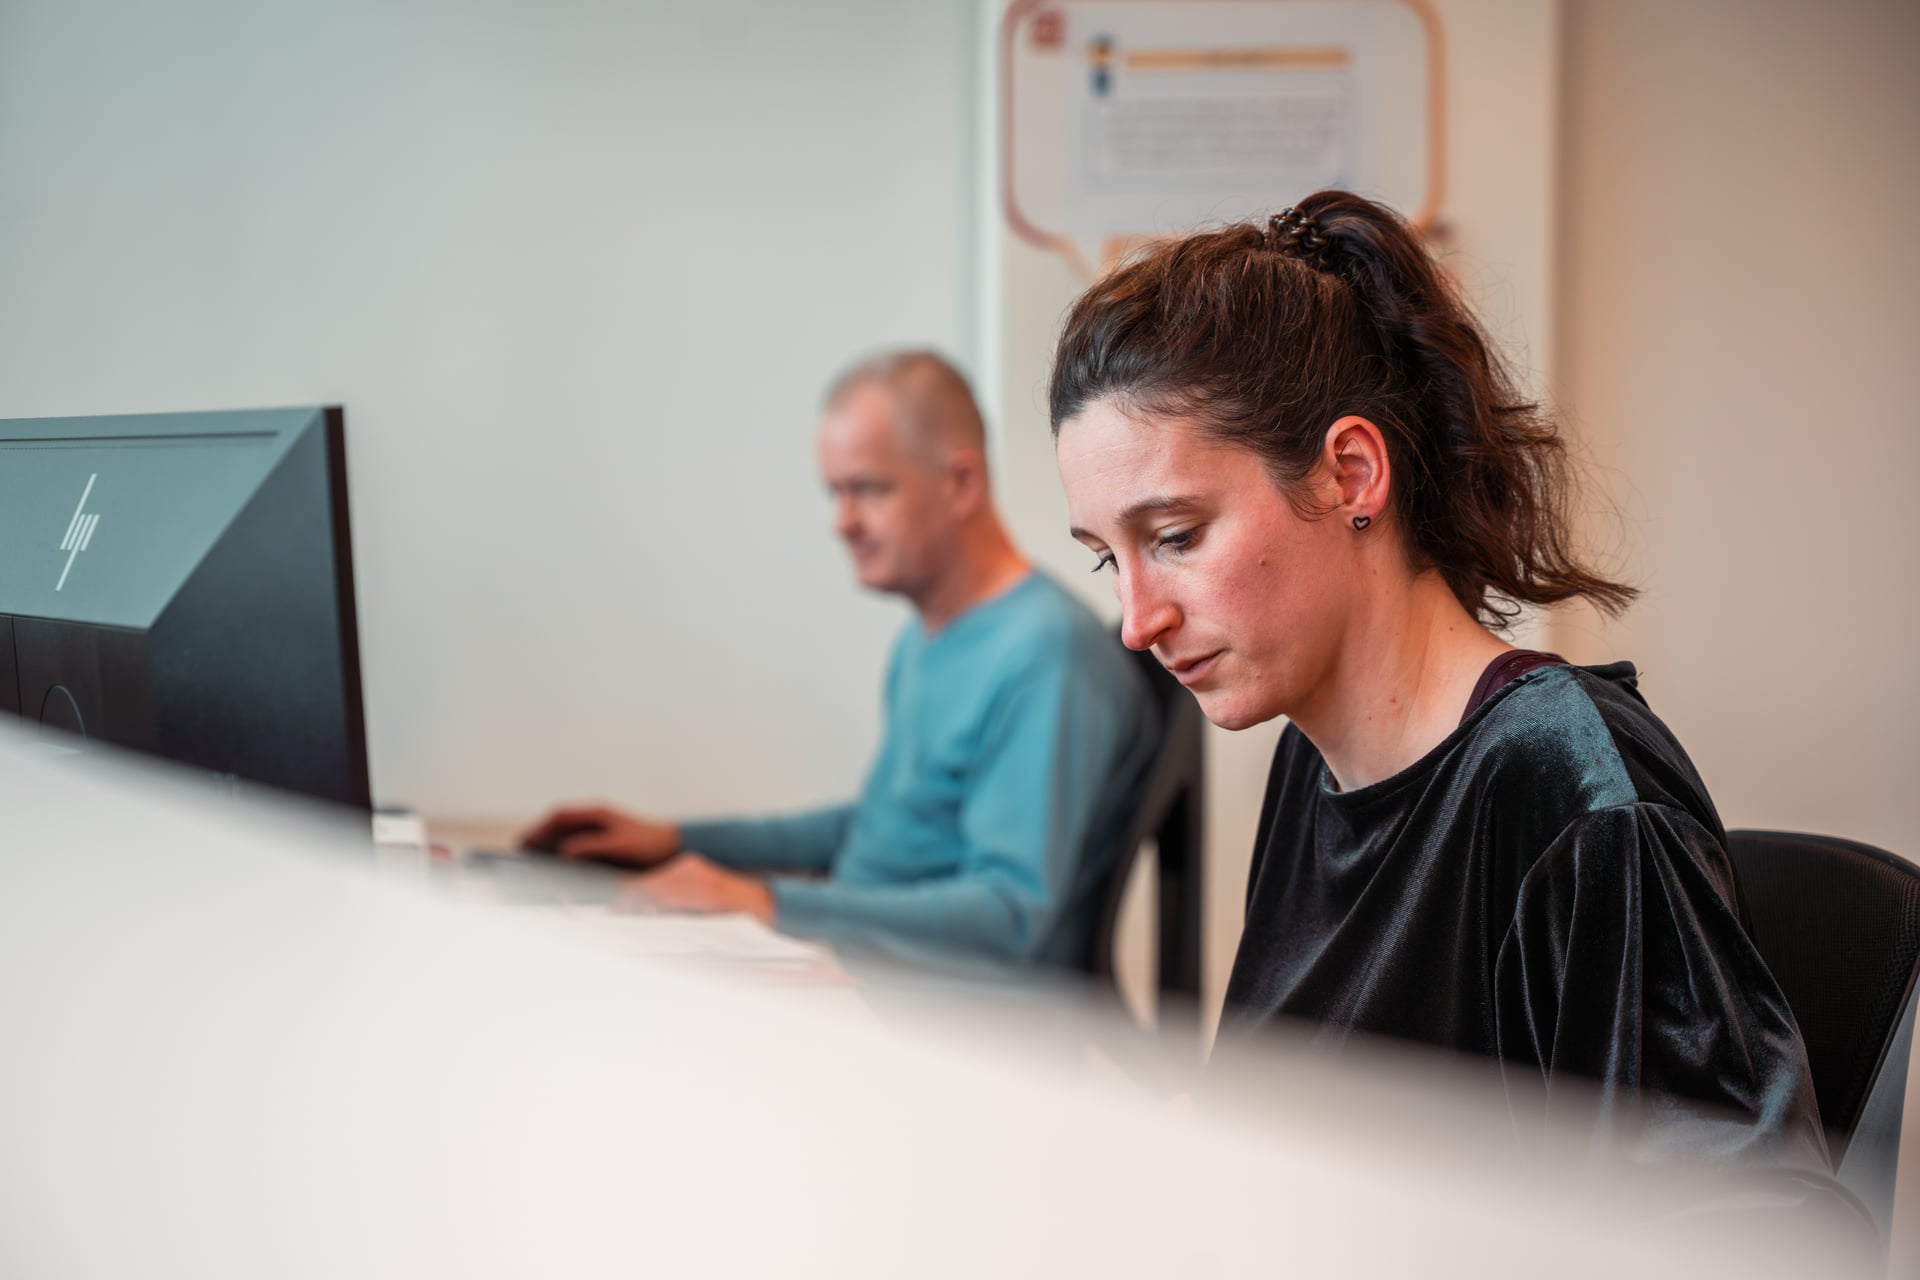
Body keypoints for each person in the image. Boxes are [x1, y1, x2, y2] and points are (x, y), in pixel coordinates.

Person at [1048, 192, 1827, 1162]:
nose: (1136, 620)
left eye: (1174, 536)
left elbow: (1746, 1233)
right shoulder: (1313, 761)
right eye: (1105, 558)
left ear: (1350, 474)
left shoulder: (1567, 783)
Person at [523, 350, 1154, 967]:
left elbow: (1011, 913)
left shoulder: (1048, 655)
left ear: (961, 483)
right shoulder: (924, 640)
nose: (842, 522)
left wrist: (767, 903)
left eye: (868, 490)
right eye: (835, 494)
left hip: (962, 1024)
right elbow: (885, 828)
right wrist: (675, 842)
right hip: (867, 976)